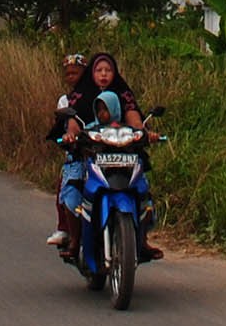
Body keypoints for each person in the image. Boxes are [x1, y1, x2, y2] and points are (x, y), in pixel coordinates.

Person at [64, 49, 162, 261]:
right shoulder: (81, 94)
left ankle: (141, 239)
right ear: (91, 73)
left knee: (143, 190)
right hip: (90, 153)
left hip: (122, 152)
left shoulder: (123, 94)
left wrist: (145, 133)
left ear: (114, 72)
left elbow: (134, 118)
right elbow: (73, 121)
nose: (103, 74)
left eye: (108, 70)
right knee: (72, 188)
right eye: (99, 70)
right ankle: (75, 239)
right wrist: (72, 135)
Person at [44, 52, 93, 248]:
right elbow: (63, 124)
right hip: (77, 152)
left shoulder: (97, 96)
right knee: (65, 186)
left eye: (76, 73)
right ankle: (65, 228)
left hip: (100, 150)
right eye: (68, 74)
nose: (72, 77)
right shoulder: (65, 100)